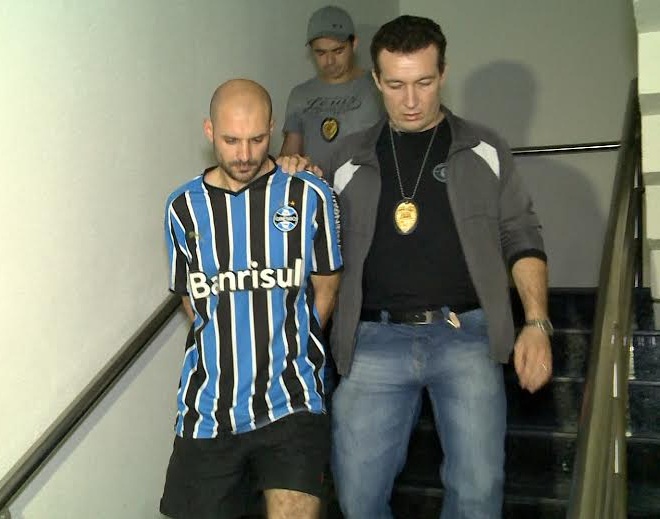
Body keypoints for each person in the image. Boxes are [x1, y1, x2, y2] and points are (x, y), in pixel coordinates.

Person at [283, 15, 553, 519]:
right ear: (376, 80)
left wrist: (536, 323)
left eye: (424, 83)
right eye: (396, 85)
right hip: (372, 342)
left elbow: (521, 235)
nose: (411, 100)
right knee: (358, 498)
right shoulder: (346, 157)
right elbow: (305, 237)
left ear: (443, 73)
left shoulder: (485, 149)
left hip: (467, 337)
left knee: (477, 495)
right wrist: (292, 177)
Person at [159, 79, 343, 519]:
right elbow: (193, 302)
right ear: (209, 131)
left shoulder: (309, 194)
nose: (245, 154)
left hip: (291, 399)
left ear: (273, 129)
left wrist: (287, 344)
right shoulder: (182, 208)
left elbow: (327, 288)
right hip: (208, 409)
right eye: (231, 140)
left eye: (257, 139)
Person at [280, 5, 383, 162]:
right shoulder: (300, 95)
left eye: (338, 51)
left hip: (367, 176)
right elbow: (289, 156)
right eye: (321, 53)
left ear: (354, 44)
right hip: (315, 178)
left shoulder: (377, 86)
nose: (329, 61)